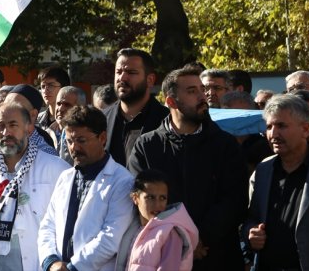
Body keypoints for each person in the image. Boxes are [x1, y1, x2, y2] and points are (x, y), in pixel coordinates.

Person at [128, 66, 248, 270]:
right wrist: (182, 238)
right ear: (171, 101)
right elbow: (141, 198)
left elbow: (235, 200)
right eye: (192, 91)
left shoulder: (225, 145)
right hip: (165, 255)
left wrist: (199, 237)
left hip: (217, 256)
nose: (203, 96)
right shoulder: (146, 146)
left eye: (202, 89)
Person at [0, 102, 70, 271]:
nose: (6, 132)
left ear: (28, 128)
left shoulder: (55, 169)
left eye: (13, 125)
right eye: (0, 126)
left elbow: (66, 223)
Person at [38, 105, 135, 271]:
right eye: (69, 141)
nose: (74, 148)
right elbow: (48, 225)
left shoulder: (122, 181)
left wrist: (73, 268)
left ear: (102, 138)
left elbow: (111, 238)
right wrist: (51, 261)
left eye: (81, 141)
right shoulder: (65, 177)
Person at [246, 94, 309, 271]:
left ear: (305, 129)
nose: (273, 134)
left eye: (281, 126)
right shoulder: (264, 170)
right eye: (269, 126)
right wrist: (251, 233)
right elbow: (252, 217)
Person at [115, 169, 198, 271]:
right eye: (150, 197)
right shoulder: (132, 228)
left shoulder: (171, 233)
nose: (157, 204)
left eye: (162, 198)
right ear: (135, 198)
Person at [105, 48, 168, 167]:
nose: (122, 78)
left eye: (131, 72)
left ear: (150, 80)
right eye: (118, 72)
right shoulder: (102, 119)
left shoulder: (168, 122)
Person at [5, 84, 58, 154]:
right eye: (5, 106)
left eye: (15, 107)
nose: (7, 111)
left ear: (33, 115)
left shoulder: (44, 152)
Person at [50, 86, 86, 165]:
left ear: (80, 108)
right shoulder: (46, 134)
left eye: (67, 105)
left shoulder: (86, 137)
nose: (60, 109)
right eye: (58, 104)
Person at [36, 66, 71, 131]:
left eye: (51, 85)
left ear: (63, 88)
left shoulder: (73, 120)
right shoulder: (37, 119)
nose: (45, 90)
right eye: (43, 86)